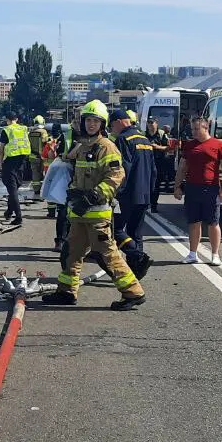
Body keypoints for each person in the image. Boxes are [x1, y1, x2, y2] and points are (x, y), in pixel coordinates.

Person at [44, 100, 145, 310]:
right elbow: (78, 174)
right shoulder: (82, 146)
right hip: (80, 214)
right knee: (72, 253)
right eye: (88, 120)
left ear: (102, 124)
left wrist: (93, 196)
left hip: (97, 214)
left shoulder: (106, 147)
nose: (91, 124)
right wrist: (72, 190)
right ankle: (66, 292)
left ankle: (133, 292)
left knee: (107, 254)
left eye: (95, 121)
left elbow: (116, 176)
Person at [172, 116, 222, 266]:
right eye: (192, 129)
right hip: (192, 188)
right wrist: (177, 186)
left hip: (210, 188)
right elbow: (182, 167)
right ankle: (192, 254)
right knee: (193, 222)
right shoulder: (189, 146)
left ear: (206, 128)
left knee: (213, 222)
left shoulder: (218, 145)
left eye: (197, 129)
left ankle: (215, 254)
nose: (194, 132)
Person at [111, 109, 154, 259]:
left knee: (114, 229)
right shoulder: (145, 140)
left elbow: (124, 169)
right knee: (136, 232)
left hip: (129, 193)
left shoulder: (123, 139)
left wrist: (117, 193)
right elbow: (153, 169)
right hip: (145, 193)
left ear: (118, 122)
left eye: (112, 126)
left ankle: (138, 256)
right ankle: (137, 269)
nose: (113, 131)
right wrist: (151, 191)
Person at [0, 111, 32, 226]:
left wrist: (0, 163)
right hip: (22, 161)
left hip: (10, 162)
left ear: (7, 120)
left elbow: (1, 149)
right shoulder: (24, 129)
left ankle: (18, 217)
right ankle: (9, 212)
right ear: (16, 119)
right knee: (13, 188)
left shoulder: (6, 130)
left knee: (12, 190)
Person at [145, 116, 172, 213]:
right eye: (149, 122)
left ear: (156, 124)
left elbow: (168, 148)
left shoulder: (162, 134)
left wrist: (157, 147)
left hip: (158, 163)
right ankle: (146, 204)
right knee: (147, 185)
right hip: (147, 164)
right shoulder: (143, 135)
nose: (150, 125)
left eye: (152, 123)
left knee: (156, 185)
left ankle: (154, 205)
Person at [28, 115, 50, 199]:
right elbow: (45, 143)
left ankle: (36, 190)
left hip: (33, 157)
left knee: (35, 174)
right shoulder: (43, 132)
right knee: (44, 173)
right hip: (42, 157)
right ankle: (44, 190)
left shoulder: (30, 133)